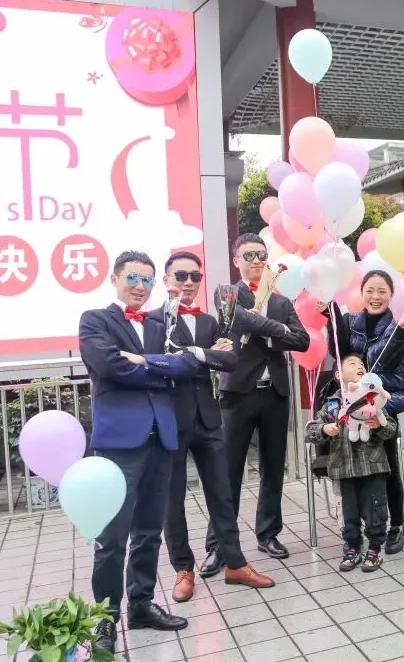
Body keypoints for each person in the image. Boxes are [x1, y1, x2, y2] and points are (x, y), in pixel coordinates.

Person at [77, 251, 202, 653]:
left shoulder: (159, 324)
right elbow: (109, 366)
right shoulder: (95, 320)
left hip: (161, 437)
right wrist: (158, 367)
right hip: (120, 442)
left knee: (149, 531)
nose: (140, 286)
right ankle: (105, 619)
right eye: (133, 278)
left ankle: (142, 604)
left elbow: (187, 366)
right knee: (112, 537)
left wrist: (144, 360)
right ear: (114, 278)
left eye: (147, 280)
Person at [148, 252, 275, 602]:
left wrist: (191, 353)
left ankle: (235, 563)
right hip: (170, 421)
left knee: (222, 493)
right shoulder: (152, 322)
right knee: (172, 499)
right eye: (181, 276)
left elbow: (230, 359)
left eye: (195, 277)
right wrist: (204, 355)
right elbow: (158, 363)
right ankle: (183, 569)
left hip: (208, 419)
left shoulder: (208, 321)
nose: (189, 282)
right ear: (167, 279)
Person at [206, 233, 310, 565]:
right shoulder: (227, 293)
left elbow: (303, 340)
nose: (257, 260)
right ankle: (219, 543)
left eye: (262, 255)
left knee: (273, 468)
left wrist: (273, 331)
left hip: (275, 394)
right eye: (249, 255)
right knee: (228, 470)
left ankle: (268, 534)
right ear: (236, 260)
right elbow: (240, 318)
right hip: (238, 393)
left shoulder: (282, 301)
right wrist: (279, 330)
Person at [319, 270, 404, 554]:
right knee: (353, 471)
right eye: (370, 291)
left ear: (391, 296)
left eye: (382, 291)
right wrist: (331, 316)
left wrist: (402, 328)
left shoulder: (397, 326)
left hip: (383, 406)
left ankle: (395, 525)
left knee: (388, 468)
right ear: (361, 293)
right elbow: (338, 355)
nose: (376, 297)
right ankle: (359, 527)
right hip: (350, 409)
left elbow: (387, 362)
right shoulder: (350, 321)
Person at [305, 353, 398, 572]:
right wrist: (324, 429)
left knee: (375, 508)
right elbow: (310, 431)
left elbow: (392, 428)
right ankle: (352, 547)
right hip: (343, 468)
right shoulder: (333, 404)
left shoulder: (373, 397)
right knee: (348, 512)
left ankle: (374, 548)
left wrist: (380, 426)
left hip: (372, 466)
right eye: (352, 363)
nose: (359, 366)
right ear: (338, 374)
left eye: (362, 364)